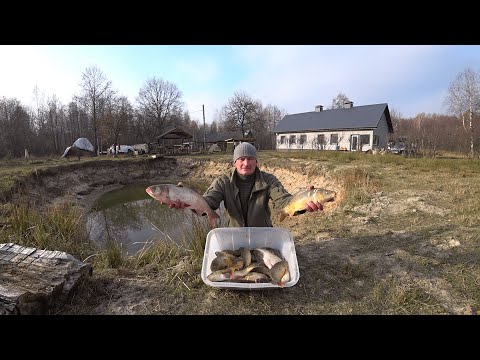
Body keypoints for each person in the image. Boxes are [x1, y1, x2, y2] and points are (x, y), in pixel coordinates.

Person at [168, 142, 324, 227]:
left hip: (263, 234)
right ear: (235, 162)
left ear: (256, 161)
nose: (246, 163)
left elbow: (284, 203)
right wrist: (189, 199)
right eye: (241, 159)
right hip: (234, 235)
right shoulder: (222, 181)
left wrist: (303, 202)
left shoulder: (268, 180)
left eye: (250, 159)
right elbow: (209, 203)